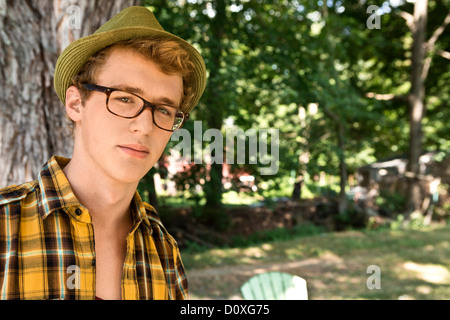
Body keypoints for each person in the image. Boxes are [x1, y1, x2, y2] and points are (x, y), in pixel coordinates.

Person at [0, 6, 206, 300]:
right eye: (124, 98)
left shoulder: (163, 248)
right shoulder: (5, 226)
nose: (145, 126)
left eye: (163, 109)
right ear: (75, 104)